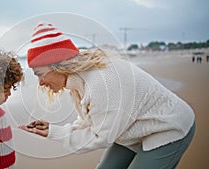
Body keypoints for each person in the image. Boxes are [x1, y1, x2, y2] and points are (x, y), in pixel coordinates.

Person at [19, 23, 195, 169]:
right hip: (132, 129)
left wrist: (56, 134)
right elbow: (89, 122)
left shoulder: (102, 83)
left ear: (58, 66)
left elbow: (100, 136)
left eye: (40, 74)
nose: (40, 83)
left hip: (167, 126)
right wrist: (52, 130)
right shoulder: (76, 82)